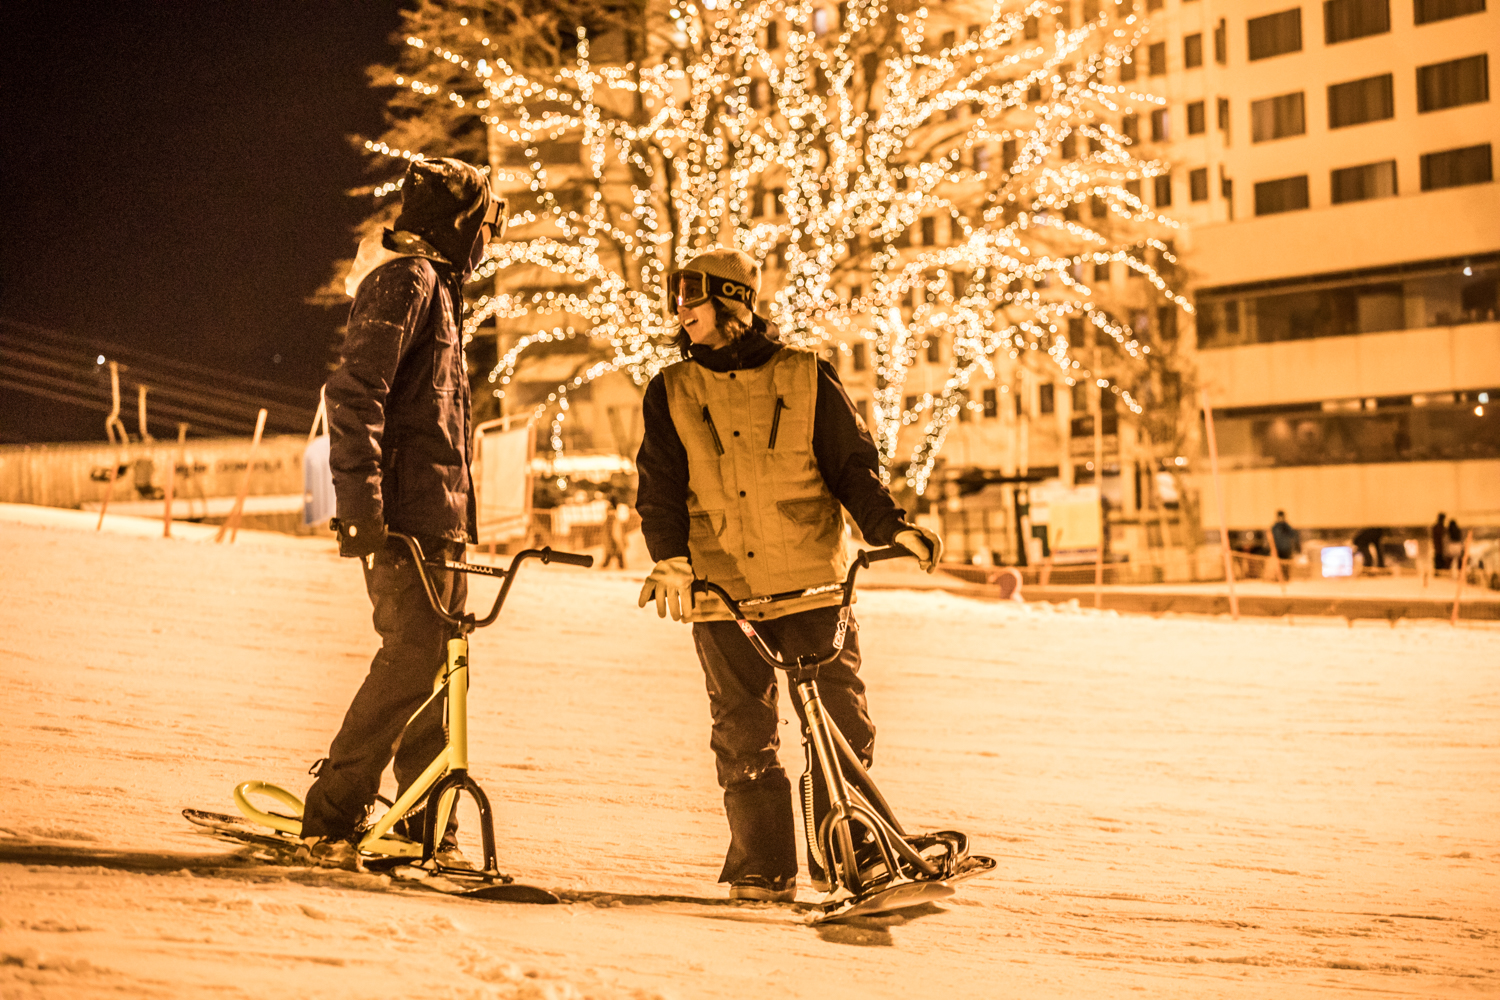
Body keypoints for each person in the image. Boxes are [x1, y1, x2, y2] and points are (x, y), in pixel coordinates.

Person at [634, 247, 943, 904]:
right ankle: (762, 867)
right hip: (722, 591)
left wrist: (892, 526)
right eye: (676, 298)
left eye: (693, 297)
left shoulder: (807, 376)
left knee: (840, 723)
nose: (679, 310)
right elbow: (659, 489)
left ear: (734, 300)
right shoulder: (670, 390)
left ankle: (851, 849)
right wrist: (671, 558)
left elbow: (853, 469)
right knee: (742, 732)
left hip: (811, 582)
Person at [298, 157, 506, 869]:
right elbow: (355, 396)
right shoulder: (406, 280)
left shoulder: (438, 288)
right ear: (457, 223)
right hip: (404, 522)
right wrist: (361, 510)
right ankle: (332, 815)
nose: (489, 240)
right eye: (485, 225)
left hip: (436, 520)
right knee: (412, 658)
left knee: (442, 665)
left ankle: (424, 822)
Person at [601, 500, 629, 569]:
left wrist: (622, 540)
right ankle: (606, 564)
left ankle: (621, 565)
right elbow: (606, 533)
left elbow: (618, 532)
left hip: (616, 540)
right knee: (610, 553)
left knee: (618, 553)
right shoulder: (607, 522)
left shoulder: (615, 521)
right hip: (611, 541)